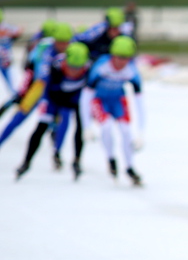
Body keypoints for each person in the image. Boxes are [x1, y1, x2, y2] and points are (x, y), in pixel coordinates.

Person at [15, 43, 90, 180]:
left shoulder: (89, 68)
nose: (74, 71)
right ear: (66, 61)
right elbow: (46, 91)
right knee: (41, 127)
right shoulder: (55, 66)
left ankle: (77, 161)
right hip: (53, 98)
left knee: (81, 126)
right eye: (71, 67)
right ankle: (26, 162)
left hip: (74, 98)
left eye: (78, 68)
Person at [80, 35, 145, 186]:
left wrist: (141, 133)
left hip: (117, 101)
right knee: (107, 127)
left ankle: (130, 167)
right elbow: (86, 96)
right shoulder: (100, 66)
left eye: (126, 58)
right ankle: (111, 159)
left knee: (126, 130)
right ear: (112, 55)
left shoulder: (132, 70)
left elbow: (140, 102)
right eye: (119, 58)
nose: (122, 62)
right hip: (100, 100)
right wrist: (86, 126)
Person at [0, 22, 73, 150]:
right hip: (38, 86)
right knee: (19, 117)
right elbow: (31, 69)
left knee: (61, 117)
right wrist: (23, 91)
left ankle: (57, 152)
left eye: (66, 42)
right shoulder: (44, 48)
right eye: (60, 42)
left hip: (55, 89)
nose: (63, 46)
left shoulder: (72, 49)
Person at [0, 8, 23, 99]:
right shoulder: (7, 27)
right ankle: (12, 92)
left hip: (5, 56)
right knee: (8, 74)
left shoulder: (6, 27)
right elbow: (19, 30)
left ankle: (12, 93)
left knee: (7, 74)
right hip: (6, 56)